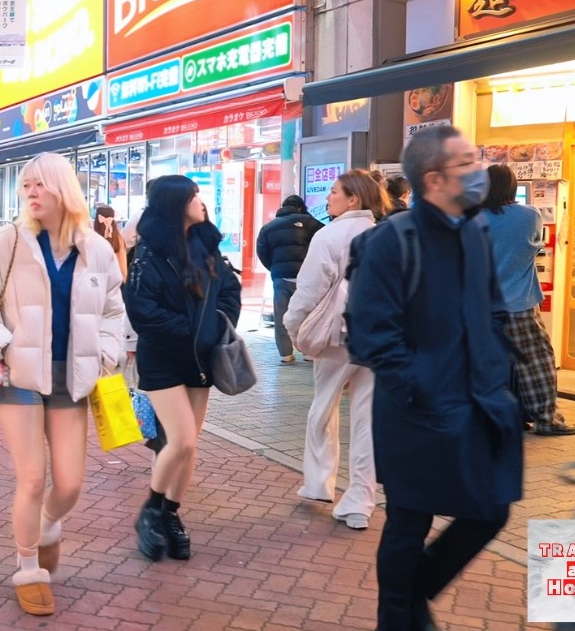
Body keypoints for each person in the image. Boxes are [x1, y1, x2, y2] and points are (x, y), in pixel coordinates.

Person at [346, 126, 523, 630]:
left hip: (480, 401)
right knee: (408, 520)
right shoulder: (389, 242)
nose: (478, 170)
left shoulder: (475, 230)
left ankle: (408, 595)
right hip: (416, 410)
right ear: (433, 179)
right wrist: (419, 386)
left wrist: (500, 376)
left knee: (492, 509)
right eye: (466, 163)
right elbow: (371, 338)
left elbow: (490, 310)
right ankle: (398, 618)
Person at [0, 153, 126, 616]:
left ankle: (50, 525)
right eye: (26, 185)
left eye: (40, 185)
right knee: (32, 477)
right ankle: (27, 564)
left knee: (69, 483)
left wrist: (107, 354)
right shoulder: (7, 240)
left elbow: (113, 311)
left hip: (72, 377)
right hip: (18, 375)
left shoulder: (95, 248)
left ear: (63, 190)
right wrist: (0, 344)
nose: (30, 193)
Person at [123, 175, 241, 563]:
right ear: (176, 204)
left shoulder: (206, 245)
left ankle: (170, 516)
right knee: (183, 440)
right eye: (192, 195)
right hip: (163, 359)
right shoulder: (149, 253)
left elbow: (229, 290)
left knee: (187, 449)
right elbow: (143, 312)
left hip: (201, 359)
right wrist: (191, 331)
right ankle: (151, 512)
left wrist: (217, 323)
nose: (200, 200)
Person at [283, 172, 387, 531]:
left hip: (337, 337)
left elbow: (309, 290)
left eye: (333, 192)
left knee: (323, 408)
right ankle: (360, 500)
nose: (328, 198)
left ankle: (319, 483)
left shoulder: (329, 235)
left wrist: (292, 325)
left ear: (353, 199)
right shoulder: (385, 234)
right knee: (367, 417)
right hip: (378, 337)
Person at [481, 164, 575, 436]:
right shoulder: (529, 214)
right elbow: (536, 246)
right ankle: (547, 420)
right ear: (513, 187)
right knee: (536, 362)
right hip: (519, 304)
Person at [256, 194, 325, 363]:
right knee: (310, 314)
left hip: (281, 277)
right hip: (306, 277)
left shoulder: (268, 227)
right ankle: (309, 353)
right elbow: (325, 241)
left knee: (281, 316)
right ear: (300, 208)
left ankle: (286, 354)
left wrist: (274, 268)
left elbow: (262, 251)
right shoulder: (311, 223)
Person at [93, 205, 127, 281]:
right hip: (115, 282)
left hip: (95, 281)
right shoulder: (118, 239)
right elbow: (123, 267)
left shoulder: (91, 238)